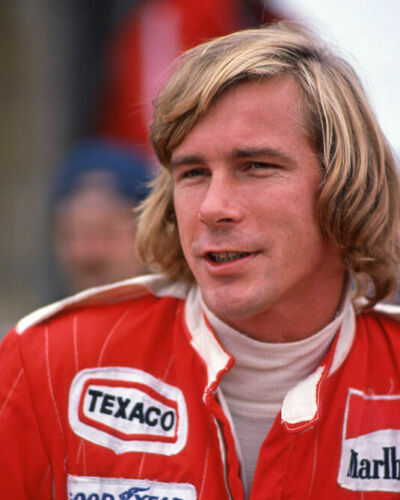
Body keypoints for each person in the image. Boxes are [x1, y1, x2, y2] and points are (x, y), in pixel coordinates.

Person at [1, 21, 400, 499]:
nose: (212, 207)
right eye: (193, 173)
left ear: (346, 184)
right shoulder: (47, 359)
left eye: (256, 166)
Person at [50, 138, 152, 296]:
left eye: (107, 233)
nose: (87, 254)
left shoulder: (184, 311)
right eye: (71, 235)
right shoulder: (42, 312)